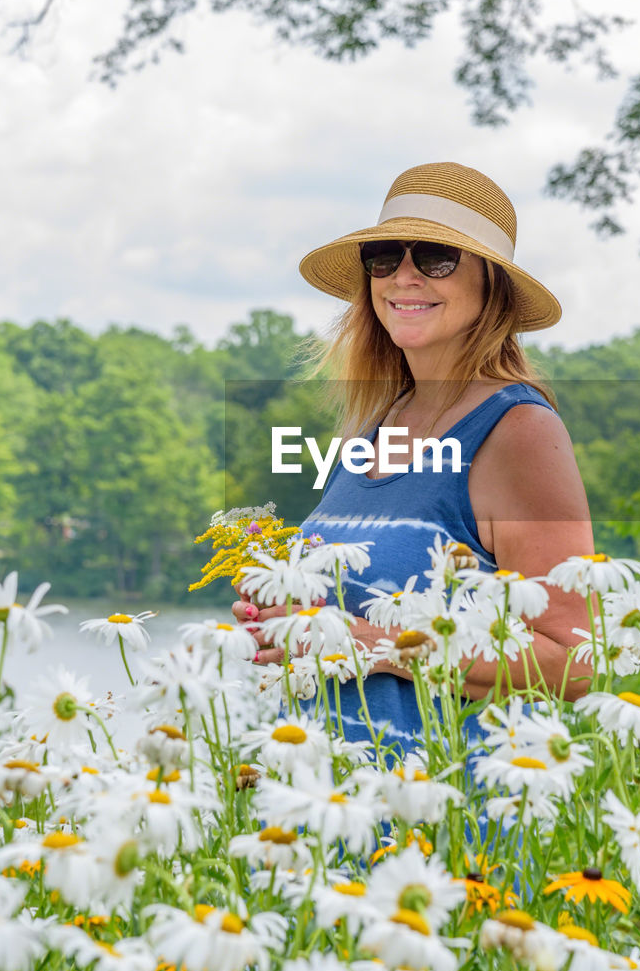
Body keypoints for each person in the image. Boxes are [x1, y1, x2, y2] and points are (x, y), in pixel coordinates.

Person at [232, 161, 594, 750]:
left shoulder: (518, 430)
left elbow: (574, 662)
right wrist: (294, 616)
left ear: (491, 285)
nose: (403, 277)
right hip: (332, 815)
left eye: (434, 257)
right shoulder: (375, 430)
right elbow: (356, 624)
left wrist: (374, 644)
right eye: (384, 256)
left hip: (449, 823)